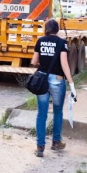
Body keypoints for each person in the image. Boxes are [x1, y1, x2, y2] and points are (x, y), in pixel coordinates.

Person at [30, 18, 76, 157]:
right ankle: (56, 142)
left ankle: (40, 147)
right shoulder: (62, 43)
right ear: (57, 30)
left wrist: (43, 66)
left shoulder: (40, 41)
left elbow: (33, 61)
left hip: (42, 80)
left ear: (46, 29)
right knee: (57, 111)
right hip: (57, 80)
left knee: (41, 113)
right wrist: (72, 84)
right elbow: (64, 64)